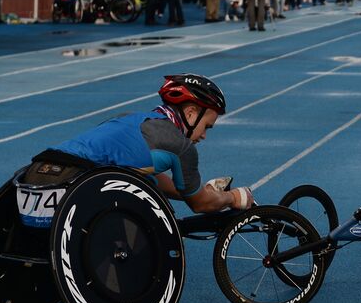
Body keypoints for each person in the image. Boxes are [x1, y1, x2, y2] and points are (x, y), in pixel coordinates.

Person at [46, 74, 252, 214]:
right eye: (207, 126)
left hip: (46, 167)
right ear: (190, 113)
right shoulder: (181, 146)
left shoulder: (131, 118)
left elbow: (147, 175)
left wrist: (196, 189)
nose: (204, 136)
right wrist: (232, 198)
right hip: (76, 186)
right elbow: (200, 204)